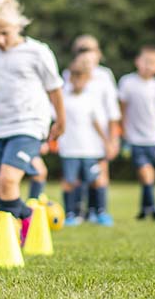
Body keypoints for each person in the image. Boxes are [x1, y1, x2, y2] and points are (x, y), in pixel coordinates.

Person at [0, 0, 65, 243]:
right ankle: (29, 218)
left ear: (18, 25)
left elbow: (55, 89)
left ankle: (13, 240)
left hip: (30, 123)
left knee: (8, 181)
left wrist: (61, 121)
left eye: (5, 33)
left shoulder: (38, 52)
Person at [65, 35, 121, 226]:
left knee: (98, 176)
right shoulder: (68, 75)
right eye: (81, 50)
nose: (86, 54)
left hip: (98, 137)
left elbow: (113, 112)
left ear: (98, 53)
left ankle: (99, 211)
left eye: (90, 49)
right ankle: (77, 212)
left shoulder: (104, 76)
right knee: (76, 178)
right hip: (73, 138)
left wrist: (113, 140)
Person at [117, 45, 155, 225]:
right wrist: (122, 135)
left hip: (153, 138)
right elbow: (122, 110)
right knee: (146, 174)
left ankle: (143, 211)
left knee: (146, 176)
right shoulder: (127, 82)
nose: (149, 66)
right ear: (137, 61)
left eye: (154, 63)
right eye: (146, 61)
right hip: (134, 138)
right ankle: (154, 210)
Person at [57, 53, 110, 226]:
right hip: (70, 148)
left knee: (96, 180)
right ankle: (71, 213)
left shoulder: (91, 98)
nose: (78, 80)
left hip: (90, 149)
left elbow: (96, 122)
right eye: (75, 76)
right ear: (70, 78)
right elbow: (57, 120)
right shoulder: (63, 98)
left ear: (87, 79)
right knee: (70, 181)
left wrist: (106, 141)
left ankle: (99, 212)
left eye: (82, 77)